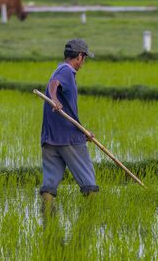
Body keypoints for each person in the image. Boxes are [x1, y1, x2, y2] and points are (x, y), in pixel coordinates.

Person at [40, 39, 99, 214]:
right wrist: (55, 100)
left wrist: (84, 133)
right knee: (89, 183)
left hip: (50, 137)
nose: (83, 63)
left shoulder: (60, 70)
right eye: (84, 58)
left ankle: (48, 220)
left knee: (49, 185)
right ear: (80, 56)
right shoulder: (66, 70)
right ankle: (91, 218)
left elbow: (69, 112)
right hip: (68, 139)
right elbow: (54, 84)